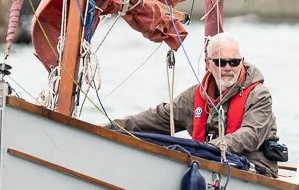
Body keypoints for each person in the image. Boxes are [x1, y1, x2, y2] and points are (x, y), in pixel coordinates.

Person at [114, 34, 281, 177]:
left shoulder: (259, 95)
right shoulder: (195, 96)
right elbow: (158, 117)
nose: (228, 68)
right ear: (208, 63)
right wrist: (110, 128)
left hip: (254, 170)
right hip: (205, 166)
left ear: (242, 62)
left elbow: (250, 135)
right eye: (221, 62)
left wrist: (206, 150)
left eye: (235, 62)